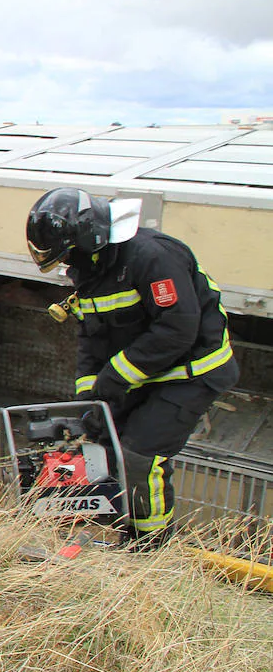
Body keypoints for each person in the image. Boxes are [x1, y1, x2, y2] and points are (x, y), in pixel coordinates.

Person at [26, 187, 238, 544]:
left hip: (192, 374)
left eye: (69, 255)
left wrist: (112, 380)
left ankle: (147, 546)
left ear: (87, 238)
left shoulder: (152, 257)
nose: (68, 265)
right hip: (144, 374)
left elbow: (176, 330)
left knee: (140, 456)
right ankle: (113, 520)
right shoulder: (91, 270)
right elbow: (91, 339)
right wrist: (89, 399)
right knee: (103, 446)